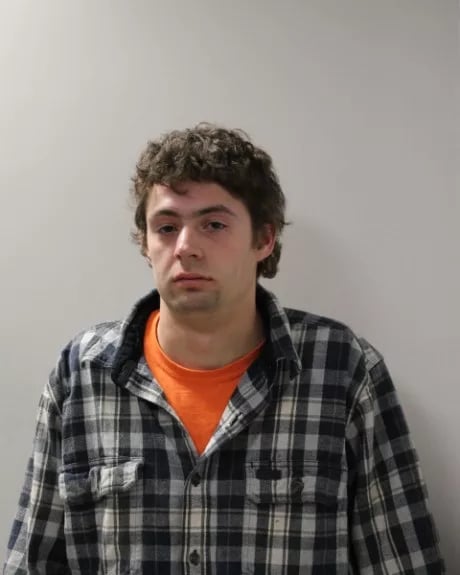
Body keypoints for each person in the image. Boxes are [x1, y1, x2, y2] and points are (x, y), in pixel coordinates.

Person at [3, 123, 445, 574]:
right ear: (145, 244)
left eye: (213, 225)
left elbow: (403, 563)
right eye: (166, 227)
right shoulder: (81, 374)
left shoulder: (343, 370)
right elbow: (31, 563)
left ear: (264, 239)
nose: (186, 247)